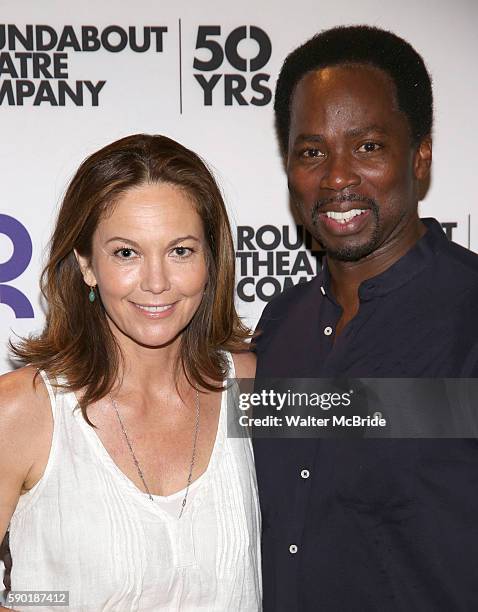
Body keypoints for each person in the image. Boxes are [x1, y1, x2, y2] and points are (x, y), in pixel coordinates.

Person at [253, 25, 478, 611]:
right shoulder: (279, 326)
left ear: (420, 156)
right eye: (311, 152)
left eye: (368, 146)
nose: (336, 176)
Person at [0, 134, 261, 611]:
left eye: (181, 251)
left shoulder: (251, 385)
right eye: (126, 253)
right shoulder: (23, 410)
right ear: (85, 264)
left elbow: (406, 446)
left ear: (210, 260)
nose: (157, 282)